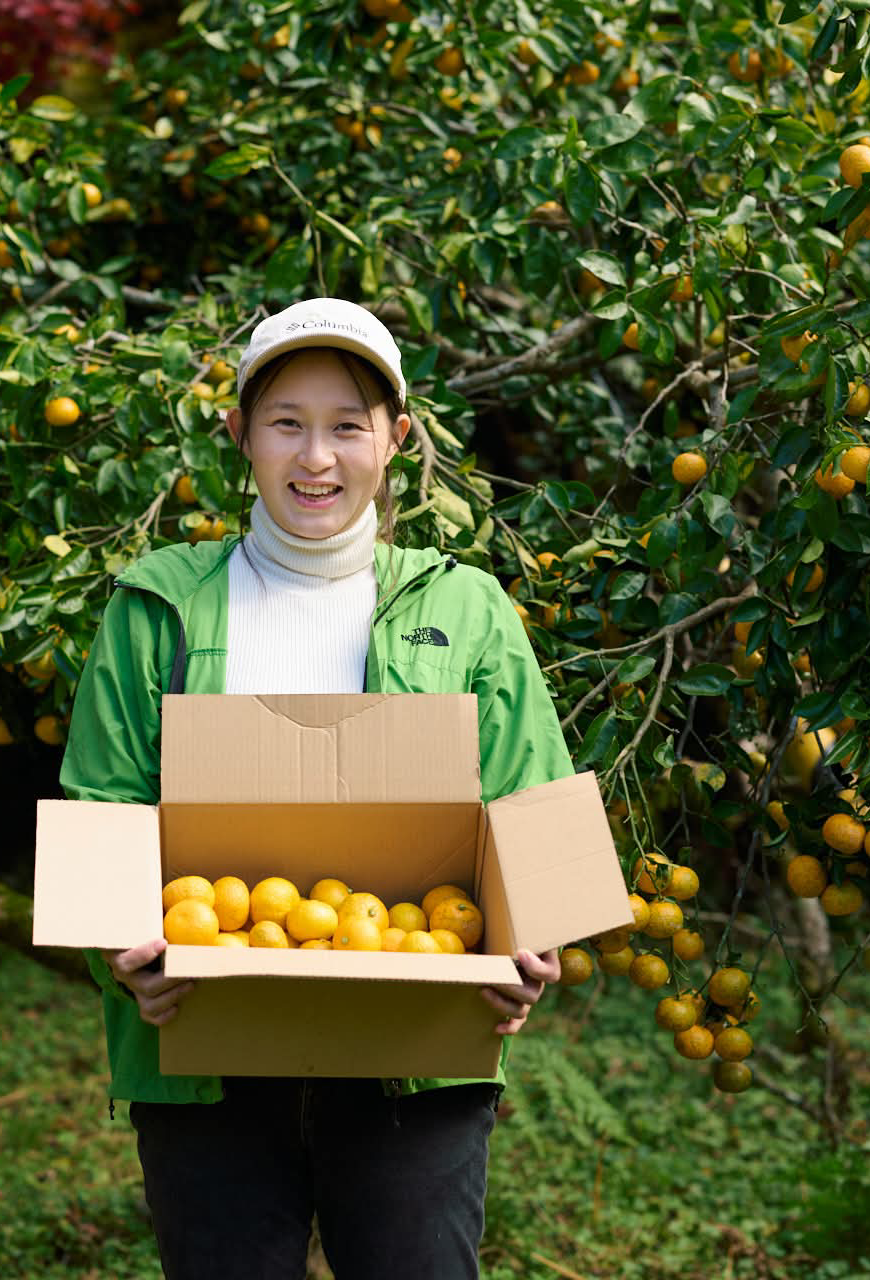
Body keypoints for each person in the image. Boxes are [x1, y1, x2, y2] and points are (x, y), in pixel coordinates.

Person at [57, 297, 573, 1280]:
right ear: (240, 433)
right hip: (203, 1044)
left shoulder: (464, 608)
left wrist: (530, 939)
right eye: (287, 422)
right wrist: (120, 950)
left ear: (398, 439)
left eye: (348, 425)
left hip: (411, 1049)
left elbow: (532, 807)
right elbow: (100, 806)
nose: (316, 458)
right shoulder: (156, 605)